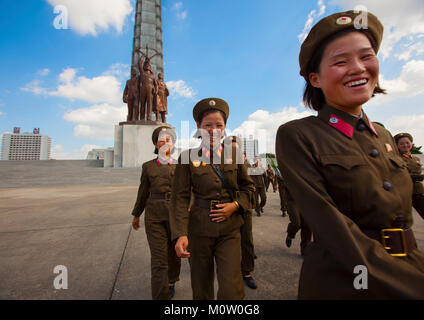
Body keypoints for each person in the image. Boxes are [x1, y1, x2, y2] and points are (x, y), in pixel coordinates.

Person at [276, 10, 424, 299]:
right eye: (341, 61)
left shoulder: (382, 135)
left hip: (410, 263)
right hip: (346, 281)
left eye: (366, 57)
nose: (357, 68)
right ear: (315, 79)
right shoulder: (298, 135)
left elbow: (415, 194)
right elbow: (332, 227)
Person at [171, 98, 255, 300]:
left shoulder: (234, 153)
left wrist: (235, 206)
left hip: (230, 230)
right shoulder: (187, 157)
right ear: (198, 127)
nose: (213, 130)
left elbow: (248, 188)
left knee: (231, 290)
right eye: (208, 125)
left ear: (225, 128)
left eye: (219, 125)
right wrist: (180, 234)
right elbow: (179, 199)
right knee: (201, 287)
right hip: (199, 230)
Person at [131, 126, 181, 300]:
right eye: (162, 139)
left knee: (175, 254)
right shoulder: (148, 167)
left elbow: (188, 191)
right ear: (155, 143)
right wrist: (137, 214)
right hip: (154, 217)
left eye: (169, 139)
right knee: (159, 260)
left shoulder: (181, 165)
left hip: (176, 217)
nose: (166, 142)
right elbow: (143, 192)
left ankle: (172, 281)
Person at [225, 137, 258, 290]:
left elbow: (251, 186)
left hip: (243, 206)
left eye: (236, 148)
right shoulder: (220, 164)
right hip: (226, 208)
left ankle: (247, 272)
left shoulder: (247, 165)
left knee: (246, 239)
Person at [394, 133, 424, 219]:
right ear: (397, 145)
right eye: (402, 143)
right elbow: (402, 174)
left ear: (411, 143)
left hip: (418, 191)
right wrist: (421, 177)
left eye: (407, 143)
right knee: (403, 218)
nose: (405, 145)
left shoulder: (415, 159)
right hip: (404, 192)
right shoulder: (397, 159)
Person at [284, 189, 312, 256]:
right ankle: (290, 235)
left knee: (307, 225)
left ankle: (305, 249)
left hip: (306, 198)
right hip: (293, 198)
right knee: (296, 223)